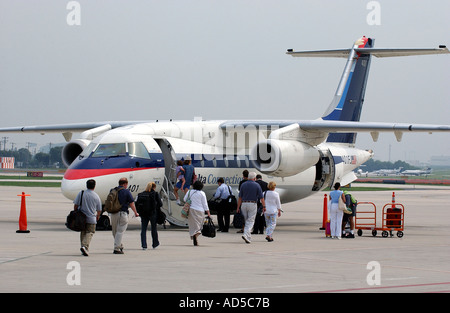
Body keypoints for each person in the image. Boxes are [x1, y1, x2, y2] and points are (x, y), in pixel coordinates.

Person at [73, 179, 102, 256]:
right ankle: (85, 246)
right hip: (91, 218)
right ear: (94, 186)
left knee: (83, 232)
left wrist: (75, 212)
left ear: (86, 185)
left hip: (82, 218)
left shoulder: (81, 193)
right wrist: (98, 216)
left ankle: (84, 247)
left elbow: (76, 205)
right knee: (90, 232)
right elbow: (99, 209)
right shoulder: (96, 196)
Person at [110, 177, 139, 254]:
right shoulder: (126, 192)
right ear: (125, 184)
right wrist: (135, 212)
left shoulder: (112, 191)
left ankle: (120, 245)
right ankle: (116, 248)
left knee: (115, 232)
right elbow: (131, 203)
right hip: (122, 213)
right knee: (120, 231)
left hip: (113, 213)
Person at [237, 171, 265, 244]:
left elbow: (240, 197)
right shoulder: (257, 185)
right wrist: (264, 206)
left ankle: (248, 238)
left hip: (244, 204)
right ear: (254, 178)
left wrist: (238, 207)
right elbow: (261, 198)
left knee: (246, 221)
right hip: (252, 204)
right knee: (251, 221)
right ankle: (246, 234)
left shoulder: (243, 184)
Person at [184, 180, 211, 246]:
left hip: (191, 210)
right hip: (200, 210)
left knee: (192, 225)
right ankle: (196, 234)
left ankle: (193, 235)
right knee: (200, 226)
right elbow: (205, 204)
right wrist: (208, 213)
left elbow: (185, 199)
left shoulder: (189, 191)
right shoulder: (202, 193)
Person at [136, 182, 162, 250]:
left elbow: (137, 203)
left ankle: (144, 245)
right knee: (153, 229)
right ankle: (155, 244)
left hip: (143, 214)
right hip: (152, 213)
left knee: (143, 229)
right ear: (154, 187)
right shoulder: (155, 194)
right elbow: (160, 204)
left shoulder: (141, 194)